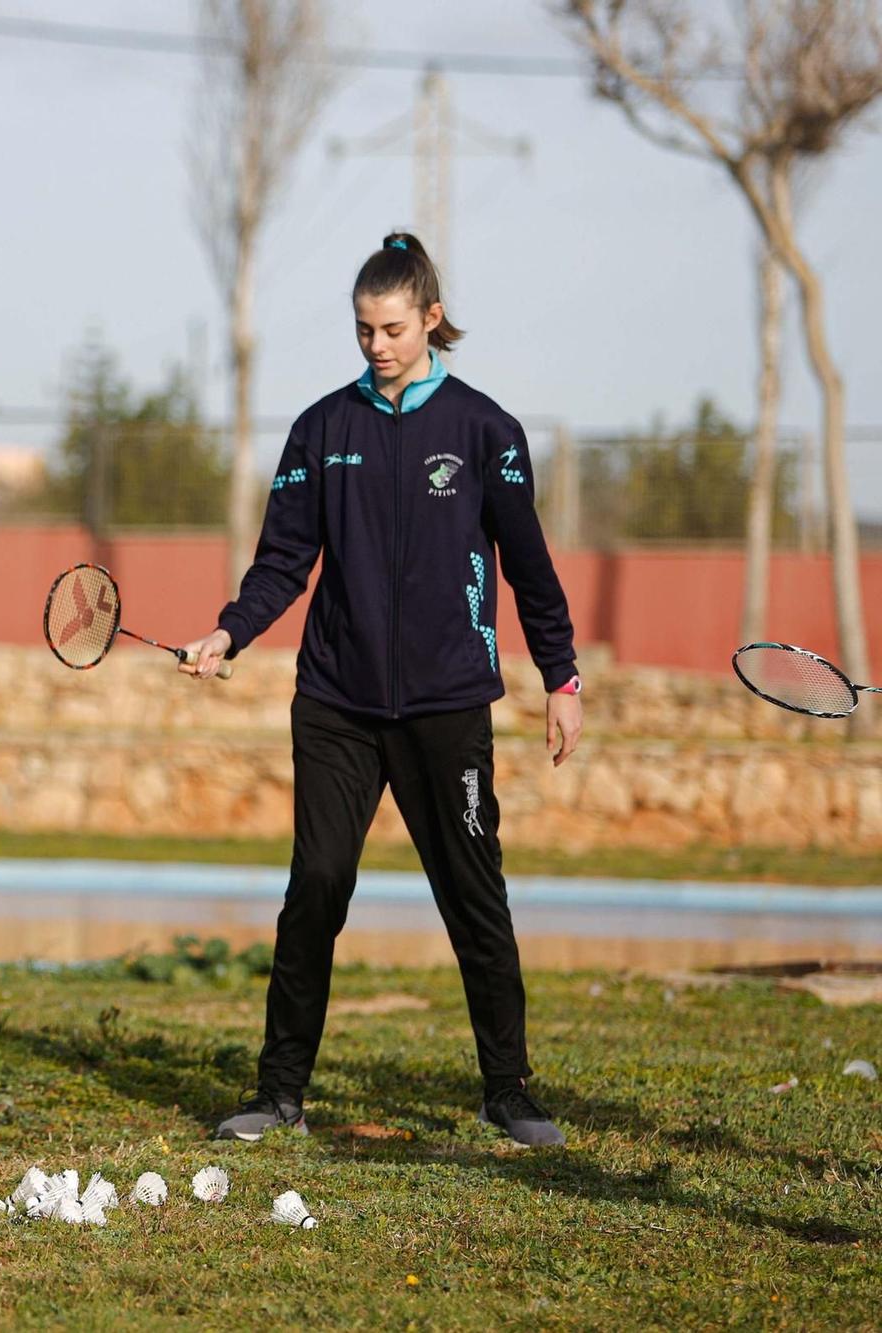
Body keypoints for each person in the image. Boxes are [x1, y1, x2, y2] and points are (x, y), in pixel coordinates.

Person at [184, 232, 584, 1149]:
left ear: (431, 318)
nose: (376, 345)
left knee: (473, 892)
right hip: (336, 702)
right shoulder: (323, 430)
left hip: (449, 704)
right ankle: (279, 1090)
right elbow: (283, 559)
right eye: (363, 329)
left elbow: (529, 567)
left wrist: (560, 677)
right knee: (316, 885)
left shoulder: (486, 431)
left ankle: (509, 1090)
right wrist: (229, 630)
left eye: (393, 327)